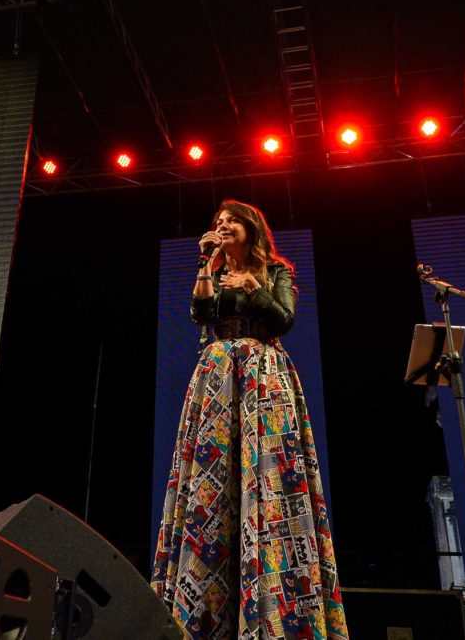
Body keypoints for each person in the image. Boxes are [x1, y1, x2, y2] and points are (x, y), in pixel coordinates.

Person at [152, 199, 349, 640]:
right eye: (218, 222)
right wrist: (206, 266)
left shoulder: (276, 271)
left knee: (267, 476)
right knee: (212, 480)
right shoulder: (214, 269)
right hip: (219, 377)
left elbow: (284, 319)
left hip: (263, 374)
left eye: (231, 221)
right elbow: (201, 314)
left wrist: (253, 286)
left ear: (251, 227)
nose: (222, 226)